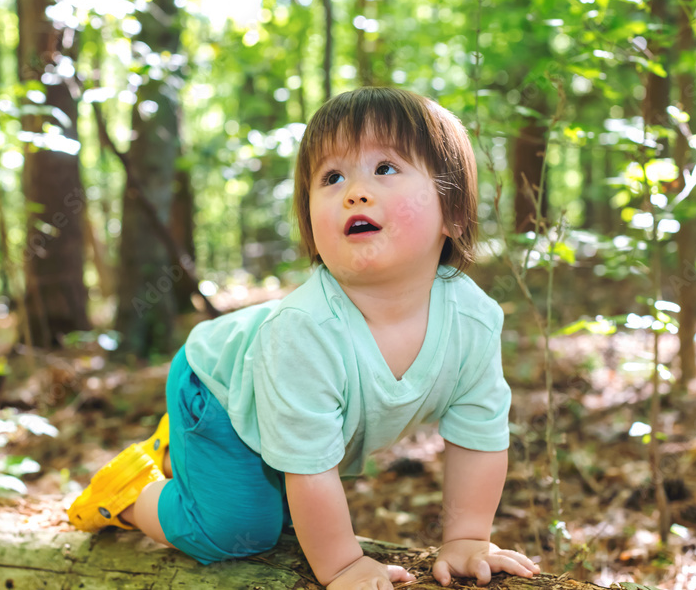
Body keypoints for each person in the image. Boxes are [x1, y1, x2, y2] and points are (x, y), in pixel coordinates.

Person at [68, 87, 541, 589]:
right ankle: (128, 491)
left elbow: (479, 437)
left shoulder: (473, 320)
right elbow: (312, 470)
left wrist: (468, 538)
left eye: (385, 169)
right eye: (332, 177)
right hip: (219, 388)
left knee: (285, 514)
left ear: (454, 213)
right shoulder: (306, 330)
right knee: (238, 531)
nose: (355, 192)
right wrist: (341, 565)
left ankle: (184, 454)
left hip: (279, 394)